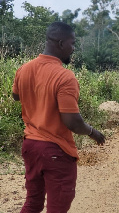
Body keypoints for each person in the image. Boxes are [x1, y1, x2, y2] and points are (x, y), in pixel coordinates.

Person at [12, 21, 106, 213]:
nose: (73, 49)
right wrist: (93, 132)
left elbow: (16, 95)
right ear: (61, 43)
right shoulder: (64, 77)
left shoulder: (24, 69)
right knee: (58, 207)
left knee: (32, 203)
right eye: (72, 44)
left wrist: (36, 93)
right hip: (55, 150)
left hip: (30, 146)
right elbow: (72, 121)